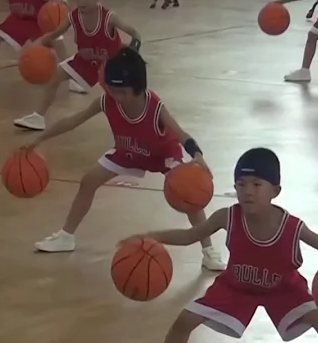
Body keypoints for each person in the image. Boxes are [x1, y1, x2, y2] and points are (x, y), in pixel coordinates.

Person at [134, 147, 318, 343]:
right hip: (236, 287)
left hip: (284, 290)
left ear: (275, 190)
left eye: (257, 184)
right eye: (241, 184)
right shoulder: (228, 216)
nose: (248, 191)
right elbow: (188, 236)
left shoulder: (291, 226)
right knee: (185, 319)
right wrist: (151, 236)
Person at [22, 48, 225, 270]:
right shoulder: (106, 101)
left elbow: (181, 134)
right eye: (112, 90)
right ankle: (65, 237)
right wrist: (39, 139)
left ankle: (208, 251)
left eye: (122, 92)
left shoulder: (155, 107)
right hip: (128, 151)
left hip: (163, 155)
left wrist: (197, 155)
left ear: (139, 89)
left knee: (190, 196)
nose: (117, 97)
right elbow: (72, 121)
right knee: (88, 181)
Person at [13, 0, 142, 131]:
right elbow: (54, 34)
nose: (81, 0)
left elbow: (134, 32)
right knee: (56, 76)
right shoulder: (73, 17)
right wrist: (38, 43)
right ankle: (38, 117)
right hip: (84, 62)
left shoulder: (109, 18)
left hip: (109, 66)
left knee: (119, 99)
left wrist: (134, 47)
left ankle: (135, 121)